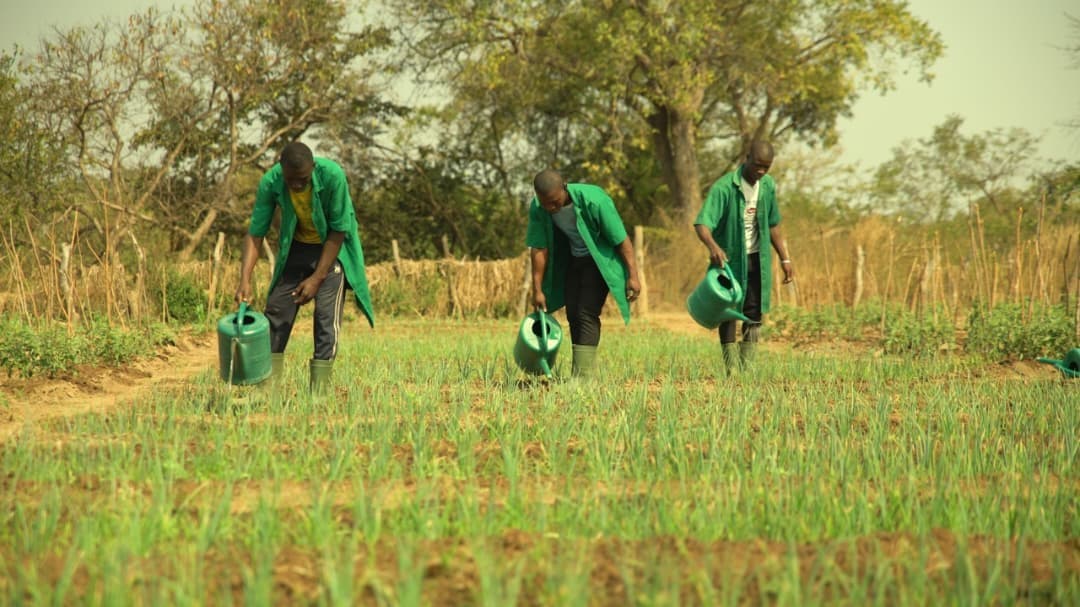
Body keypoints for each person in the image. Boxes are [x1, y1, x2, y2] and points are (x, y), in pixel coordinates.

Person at [235, 141, 374, 394]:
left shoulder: (332, 176)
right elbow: (256, 233)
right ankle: (267, 390)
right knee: (276, 313)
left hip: (332, 249)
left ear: (313, 167)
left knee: (325, 318)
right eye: (291, 179)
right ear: (281, 170)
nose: (297, 184)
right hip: (297, 248)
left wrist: (317, 278)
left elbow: (339, 228)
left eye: (303, 179)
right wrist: (244, 279)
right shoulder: (271, 181)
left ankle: (318, 394)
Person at [526, 170, 642, 378]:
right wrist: (538, 289)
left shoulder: (595, 200)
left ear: (565, 188)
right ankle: (579, 374)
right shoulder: (538, 208)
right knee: (572, 314)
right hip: (573, 259)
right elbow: (539, 248)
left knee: (586, 313)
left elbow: (621, 240)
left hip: (599, 260)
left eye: (554, 202)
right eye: (545, 204)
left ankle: (584, 377)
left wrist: (633, 275)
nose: (551, 208)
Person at [693, 140, 794, 375]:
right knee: (728, 310)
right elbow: (702, 224)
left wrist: (785, 259)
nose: (761, 171)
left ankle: (747, 368)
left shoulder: (767, 186)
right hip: (729, 261)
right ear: (746, 158)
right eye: (757, 165)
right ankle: (732, 369)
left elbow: (773, 224)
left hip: (757, 259)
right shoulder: (724, 187)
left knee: (754, 313)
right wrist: (713, 247)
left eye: (766, 167)